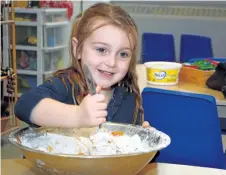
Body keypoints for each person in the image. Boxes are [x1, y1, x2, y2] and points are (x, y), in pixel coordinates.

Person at [15, 2, 151, 129]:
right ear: (77, 49)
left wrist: (140, 142)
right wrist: (77, 116)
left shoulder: (129, 95)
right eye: (101, 50)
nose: (111, 62)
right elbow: (25, 105)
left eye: (123, 54)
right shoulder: (65, 84)